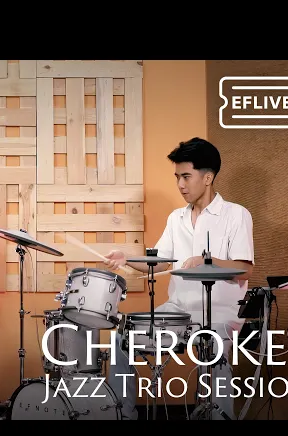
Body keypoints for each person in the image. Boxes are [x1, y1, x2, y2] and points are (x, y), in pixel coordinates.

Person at [103, 137, 254, 420]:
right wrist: (127, 260)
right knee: (122, 336)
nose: (180, 185)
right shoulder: (176, 218)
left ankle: (221, 416)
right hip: (178, 311)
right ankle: (122, 414)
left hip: (221, 313)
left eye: (186, 176)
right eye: (177, 177)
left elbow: (245, 269)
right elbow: (160, 261)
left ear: (207, 177)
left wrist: (207, 261)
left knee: (213, 348)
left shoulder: (236, 215)